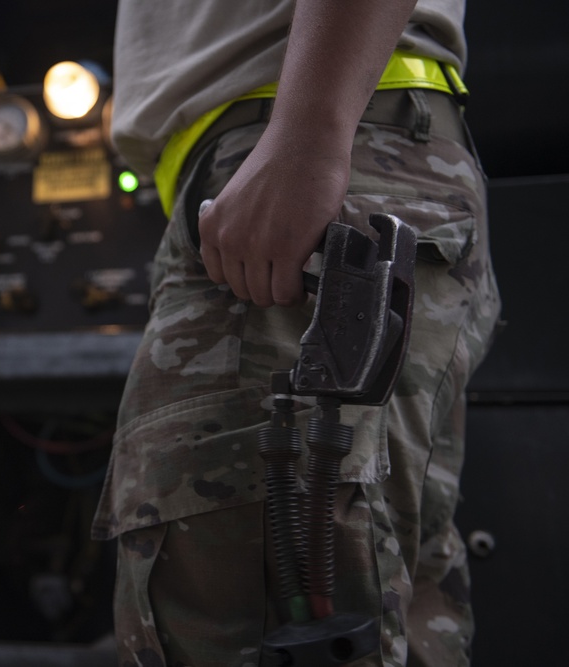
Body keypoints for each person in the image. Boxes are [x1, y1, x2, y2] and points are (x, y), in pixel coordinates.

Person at [91, 0, 502, 665]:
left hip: (304, 146)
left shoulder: (308, 135)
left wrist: (310, 130)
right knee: (384, 610)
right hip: (311, 150)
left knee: (251, 614)